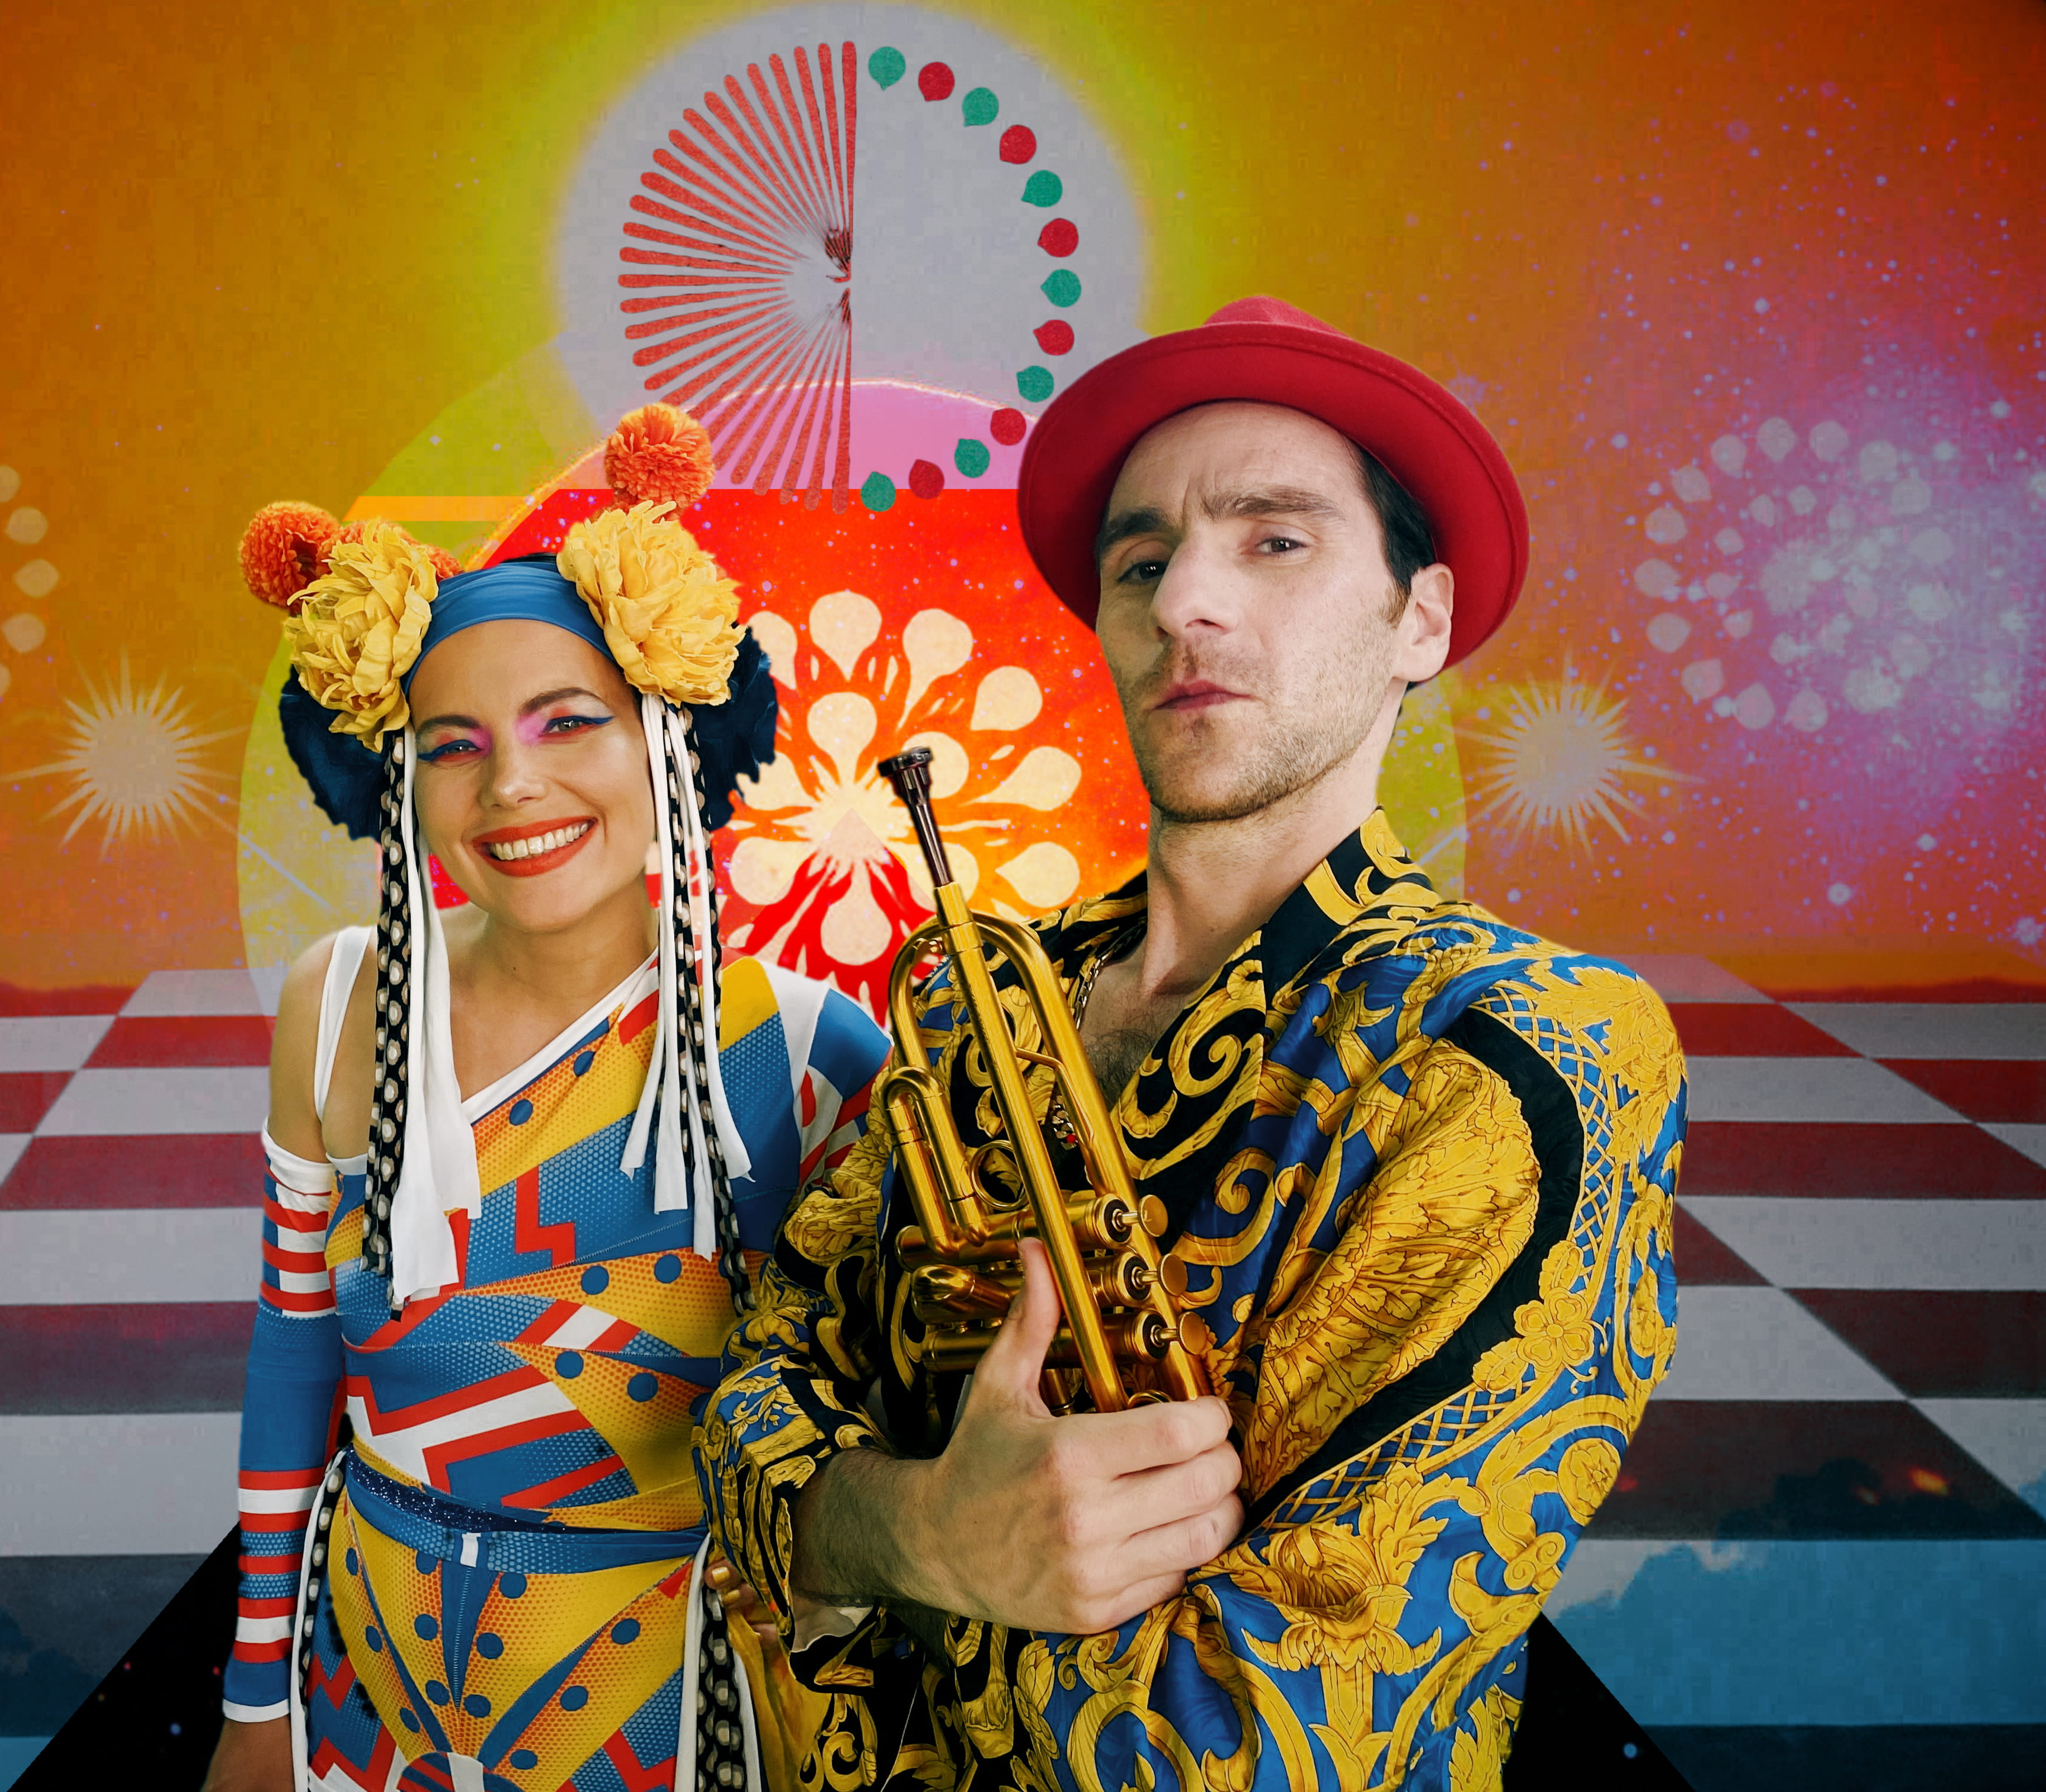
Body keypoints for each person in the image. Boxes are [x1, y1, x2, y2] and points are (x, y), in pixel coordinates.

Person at [691, 297, 1688, 1792]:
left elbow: (1258, 1738)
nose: (1183, 604)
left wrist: (859, 1545)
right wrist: (926, 1531)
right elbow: (753, 1393)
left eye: (1274, 540)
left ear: (1421, 618)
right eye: (1142, 562)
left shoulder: (1516, 1058)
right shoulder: (976, 997)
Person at [205, 407, 890, 1792]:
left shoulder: (805, 1051)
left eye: (568, 721)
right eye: (452, 743)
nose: (513, 783)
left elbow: (868, 1415)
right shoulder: (333, 1006)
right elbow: (293, 1355)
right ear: (397, 781)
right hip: (363, 1689)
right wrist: (254, 1705)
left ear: (669, 737)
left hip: (661, 1704)